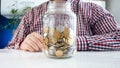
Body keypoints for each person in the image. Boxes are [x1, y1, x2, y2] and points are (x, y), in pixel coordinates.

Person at [8, 0, 120, 52]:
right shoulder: (31, 15)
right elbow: (10, 47)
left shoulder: (93, 10)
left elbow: (118, 38)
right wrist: (22, 45)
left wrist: (72, 43)